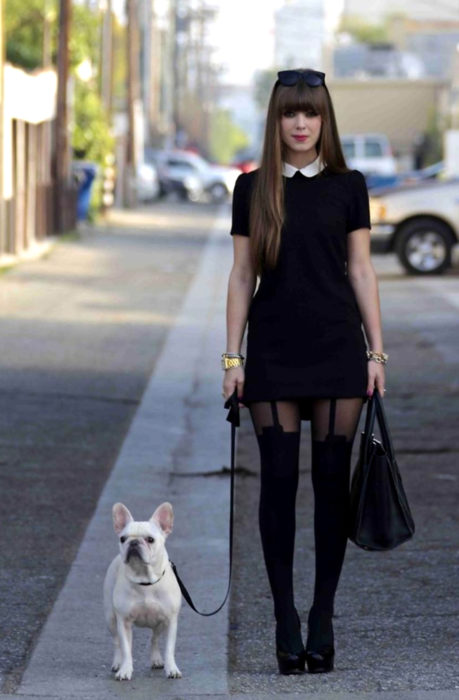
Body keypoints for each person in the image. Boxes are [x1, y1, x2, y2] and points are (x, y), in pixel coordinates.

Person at [221, 68, 387, 676]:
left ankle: (322, 616)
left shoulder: (350, 186)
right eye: (291, 113)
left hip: (339, 350)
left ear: (325, 120)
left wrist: (377, 353)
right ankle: (284, 620)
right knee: (278, 488)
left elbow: (363, 271)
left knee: (330, 488)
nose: (300, 123)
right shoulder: (251, 187)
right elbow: (242, 276)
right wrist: (232, 359)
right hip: (273, 351)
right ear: (276, 120)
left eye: (311, 113)